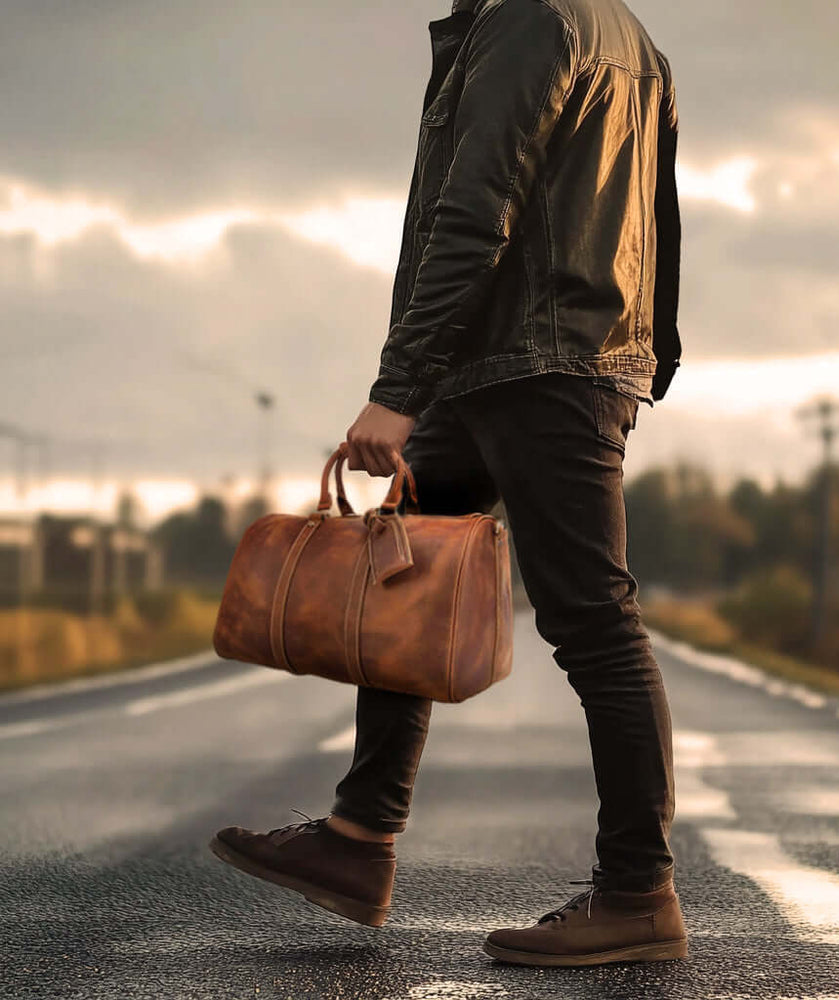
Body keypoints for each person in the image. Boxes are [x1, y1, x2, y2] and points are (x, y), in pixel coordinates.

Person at [210, 0, 685, 966]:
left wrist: (396, 391)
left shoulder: (525, 20)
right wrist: (649, 355)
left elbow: (475, 208)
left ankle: (639, 894)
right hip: (535, 361)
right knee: (401, 561)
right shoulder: (629, 36)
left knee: (594, 623)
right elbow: (661, 220)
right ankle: (358, 837)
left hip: (538, 363)